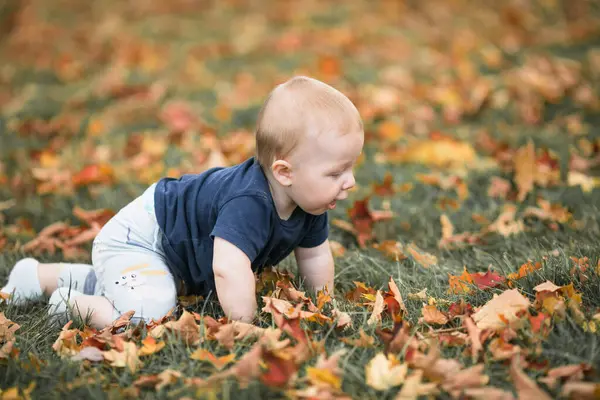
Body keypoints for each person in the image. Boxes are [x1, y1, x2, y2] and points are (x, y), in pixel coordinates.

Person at [1, 76, 365, 329]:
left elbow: (315, 256)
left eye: (350, 168)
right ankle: (71, 305)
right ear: (285, 172)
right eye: (336, 173)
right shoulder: (250, 201)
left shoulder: (311, 200)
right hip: (142, 237)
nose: (349, 183)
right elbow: (228, 268)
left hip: (163, 245)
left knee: (133, 281)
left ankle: (34, 277)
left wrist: (323, 306)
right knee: (152, 310)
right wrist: (247, 326)